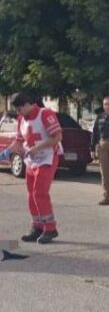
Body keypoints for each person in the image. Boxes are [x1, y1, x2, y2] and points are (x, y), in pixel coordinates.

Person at [0, 92, 64, 244]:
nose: (18, 112)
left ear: (28, 104)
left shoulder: (45, 114)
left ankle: (50, 228)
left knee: (39, 192)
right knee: (31, 194)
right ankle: (37, 227)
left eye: (19, 109)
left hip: (47, 157)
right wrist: (6, 152)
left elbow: (57, 137)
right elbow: (19, 141)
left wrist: (37, 148)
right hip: (32, 160)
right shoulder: (21, 119)